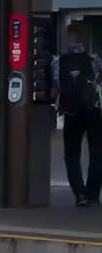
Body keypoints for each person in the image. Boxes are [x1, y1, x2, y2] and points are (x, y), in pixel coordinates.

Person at [55, 23, 102, 206]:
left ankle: (80, 194)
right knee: (97, 153)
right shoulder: (95, 60)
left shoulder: (59, 61)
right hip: (94, 112)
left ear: (69, 38)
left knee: (72, 154)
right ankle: (93, 194)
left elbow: (55, 87)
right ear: (84, 38)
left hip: (71, 113)